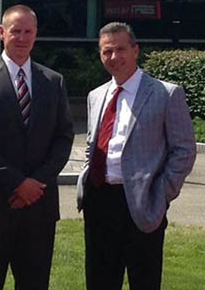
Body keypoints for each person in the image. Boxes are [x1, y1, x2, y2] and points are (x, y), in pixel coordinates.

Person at [0, 4, 74, 290]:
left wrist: (35, 183)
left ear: (36, 35)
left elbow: (63, 138)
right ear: (1, 33)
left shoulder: (53, 82)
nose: (22, 38)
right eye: (15, 31)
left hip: (39, 206)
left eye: (28, 32)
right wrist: (17, 183)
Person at [76, 22, 197, 290]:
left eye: (121, 49)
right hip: (99, 200)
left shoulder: (165, 94)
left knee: (144, 279)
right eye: (107, 51)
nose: (114, 57)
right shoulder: (96, 96)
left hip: (142, 203)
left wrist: (162, 193)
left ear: (135, 50)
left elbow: (185, 150)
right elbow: (92, 144)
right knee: (99, 279)